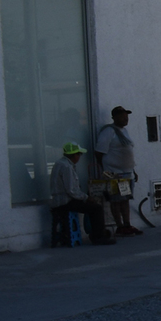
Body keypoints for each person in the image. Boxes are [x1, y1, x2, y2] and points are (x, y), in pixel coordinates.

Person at [50, 143, 114, 245]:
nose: (79, 157)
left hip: (61, 200)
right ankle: (98, 237)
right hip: (65, 202)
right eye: (79, 154)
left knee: (92, 206)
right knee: (96, 208)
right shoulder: (66, 167)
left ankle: (97, 234)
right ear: (75, 155)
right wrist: (86, 197)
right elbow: (71, 190)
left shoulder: (60, 163)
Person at [94, 105, 141, 236]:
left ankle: (127, 224)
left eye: (126, 116)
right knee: (116, 200)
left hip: (127, 173)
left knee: (125, 199)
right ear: (114, 117)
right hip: (114, 173)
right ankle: (119, 226)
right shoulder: (109, 131)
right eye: (122, 115)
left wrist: (133, 170)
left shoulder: (124, 131)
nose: (125, 118)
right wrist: (104, 170)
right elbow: (99, 152)